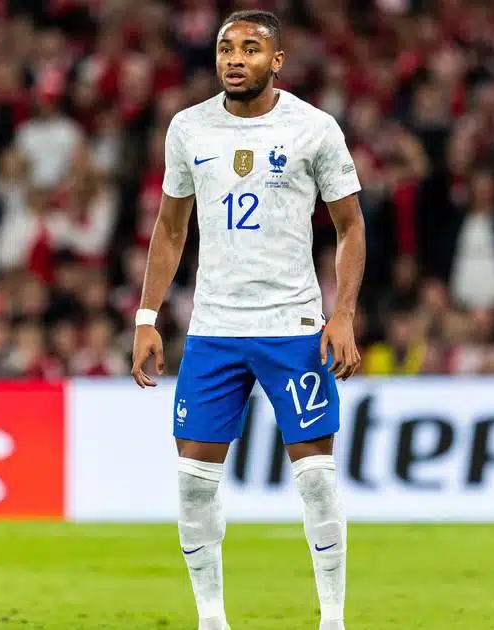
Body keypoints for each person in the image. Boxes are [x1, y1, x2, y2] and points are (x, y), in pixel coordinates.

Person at [130, 11, 364, 630]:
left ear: (277, 61)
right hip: (214, 328)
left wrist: (342, 313)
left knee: (316, 480)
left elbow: (350, 226)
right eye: (225, 48)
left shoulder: (314, 128)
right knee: (193, 481)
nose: (235, 59)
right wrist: (147, 316)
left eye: (251, 49)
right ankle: (212, 620)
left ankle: (333, 620)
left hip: (293, 326)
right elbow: (170, 228)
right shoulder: (188, 128)